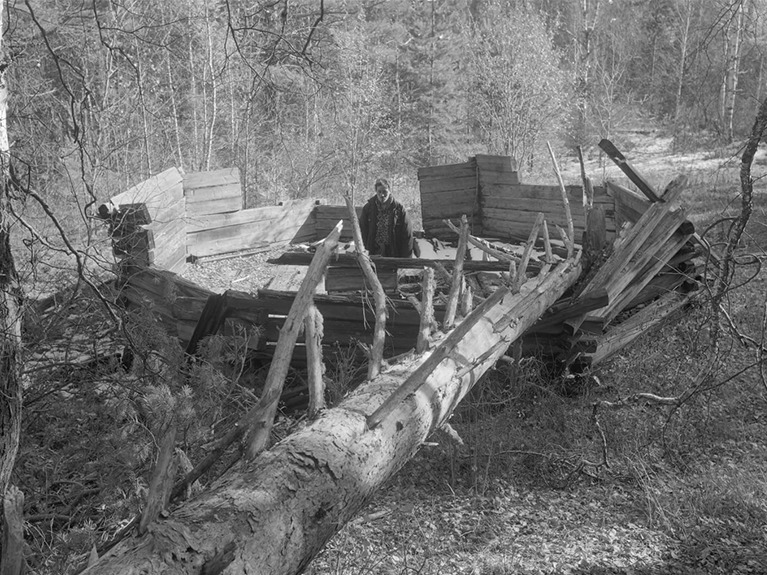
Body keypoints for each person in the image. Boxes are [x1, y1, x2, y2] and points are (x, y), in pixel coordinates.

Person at [359, 178, 419, 258]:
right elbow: (362, 231)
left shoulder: (399, 209)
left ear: (389, 191)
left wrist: (406, 261)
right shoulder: (368, 208)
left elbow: (407, 236)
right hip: (373, 251)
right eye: (379, 192)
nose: (382, 195)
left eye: (385, 192)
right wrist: (364, 251)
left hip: (392, 252)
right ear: (376, 191)